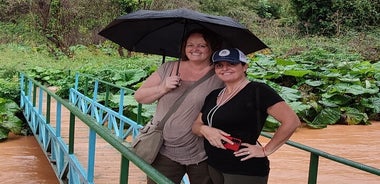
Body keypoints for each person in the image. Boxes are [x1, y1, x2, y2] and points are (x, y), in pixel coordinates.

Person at [192, 48, 301, 184]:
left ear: (244, 66)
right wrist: (205, 129)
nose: (224, 68)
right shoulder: (214, 94)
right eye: (219, 65)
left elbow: (292, 121)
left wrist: (265, 150)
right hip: (214, 165)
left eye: (231, 64)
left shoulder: (258, 91)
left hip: (243, 169)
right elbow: (196, 125)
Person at [134, 29, 224, 184]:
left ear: (211, 48)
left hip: (202, 151)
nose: (195, 49)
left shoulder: (221, 73)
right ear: (184, 47)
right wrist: (163, 87)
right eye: (190, 45)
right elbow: (140, 96)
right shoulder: (169, 68)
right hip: (164, 149)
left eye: (202, 45)